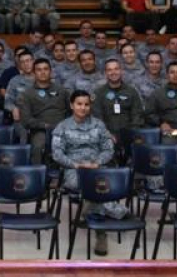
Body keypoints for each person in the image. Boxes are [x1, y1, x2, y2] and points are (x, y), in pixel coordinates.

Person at [52, 90, 124, 256]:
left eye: (86, 104)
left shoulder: (98, 125)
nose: (83, 108)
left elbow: (108, 148)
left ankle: (87, 212)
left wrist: (97, 163)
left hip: (97, 168)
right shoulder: (62, 127)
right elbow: (57, 153)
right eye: (79, 104)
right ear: (71, 105)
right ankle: (102, 232)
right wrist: (76, 164)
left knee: (99, 186)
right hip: (73, 170)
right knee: (96, 189)